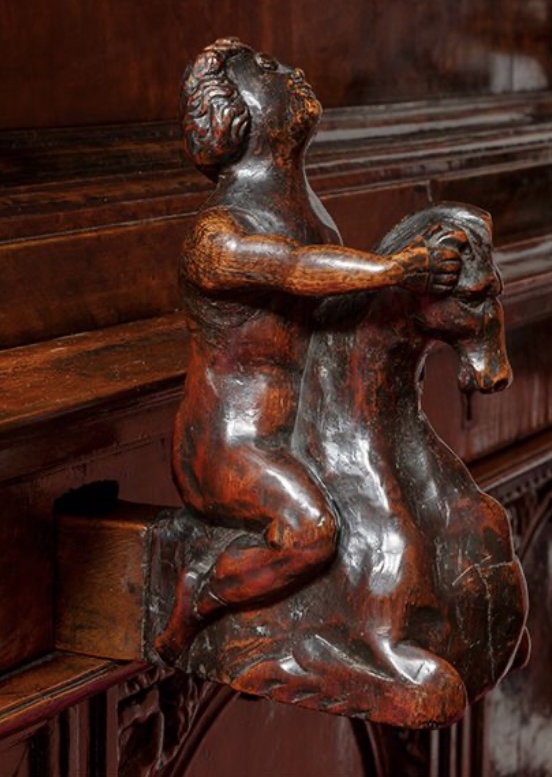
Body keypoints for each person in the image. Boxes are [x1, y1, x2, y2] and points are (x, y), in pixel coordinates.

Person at [156, 37, 463, 661]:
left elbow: (327, 304)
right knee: (313, 532)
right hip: (228, 449)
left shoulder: (303, 211)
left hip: (299, 435)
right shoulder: (217, 235)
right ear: (236, 114)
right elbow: (294, 269)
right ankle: (201, 596)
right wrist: (396, 269)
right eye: (269, 71)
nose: (294, 71)